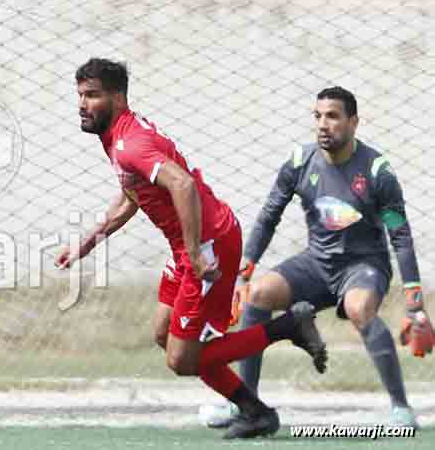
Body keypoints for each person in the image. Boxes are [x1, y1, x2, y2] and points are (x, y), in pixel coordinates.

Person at [56, 58, 327, 439]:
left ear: (117, 98)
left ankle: (289, 326)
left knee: (182, 360)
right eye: (80, 95)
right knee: (163, 333)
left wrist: (197, 252)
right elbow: (133, 194)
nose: (82, 104)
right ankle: (255, 412)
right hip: (189, 245)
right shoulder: (116, 136)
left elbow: (181, 185)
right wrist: (90, 241)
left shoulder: (130, 143)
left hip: (208, 244)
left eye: (92, 95)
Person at [207, 86, 430, 429]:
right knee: (259, 295)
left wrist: (414, 301)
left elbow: (399, 235)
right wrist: (244, 270)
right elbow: (268, 217)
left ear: (353, 123)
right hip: (315, 264)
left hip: (363, 267)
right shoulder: (299, 162)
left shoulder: (377, 172)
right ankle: (245, 404)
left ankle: (401, 408)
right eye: (318, 116)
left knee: (359, 308)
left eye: (333, 116)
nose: (323, 124)